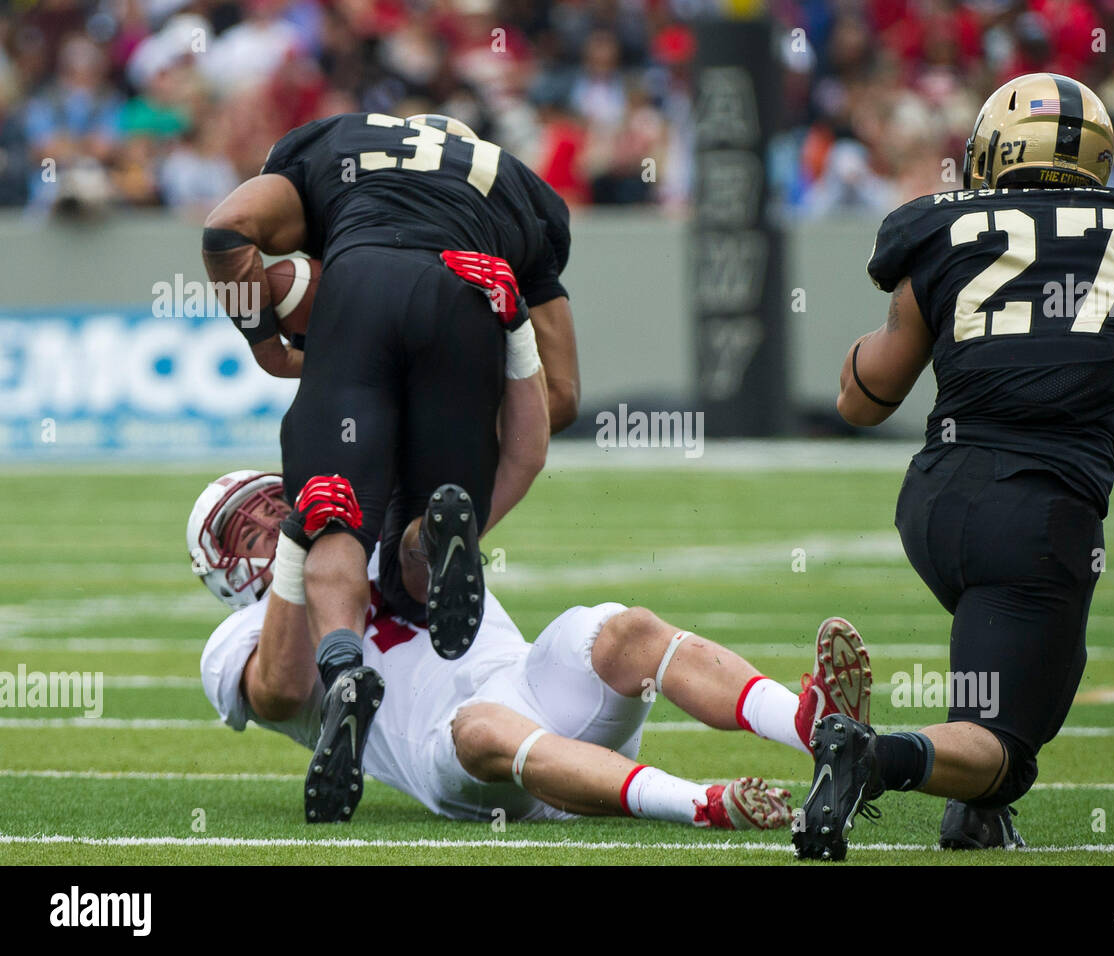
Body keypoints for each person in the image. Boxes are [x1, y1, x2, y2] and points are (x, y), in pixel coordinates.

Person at [795, 72, 1114, 860]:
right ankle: (873, 755)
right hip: (1038, 511)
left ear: (989, 152)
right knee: (1007, 747)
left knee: (1000, 658)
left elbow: (865, 401)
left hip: (934, 502)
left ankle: (973, 815)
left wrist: (874, 343)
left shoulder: (937, 228)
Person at [200, 112, 576, 820]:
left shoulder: (328, 144)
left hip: (359, 290)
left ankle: (342, 665)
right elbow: (565, 397)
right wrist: (513, 326)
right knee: (417, 555)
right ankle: (430, 539)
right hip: (470, 304)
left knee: (330, 520)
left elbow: (226, 232)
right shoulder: (521, 190)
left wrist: (265, 341)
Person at [187, 470, 872, 827]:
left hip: (530, 683)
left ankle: (819, 731)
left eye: (276, 504)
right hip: (458, 761)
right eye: (249, 529)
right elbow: (278, 687)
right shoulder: (239, 638)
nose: (274, 520)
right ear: (224, 571)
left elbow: (427, 562)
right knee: (480, 724)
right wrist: (297, 551)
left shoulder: (358, 549)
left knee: (624, 627)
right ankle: (702, 802)